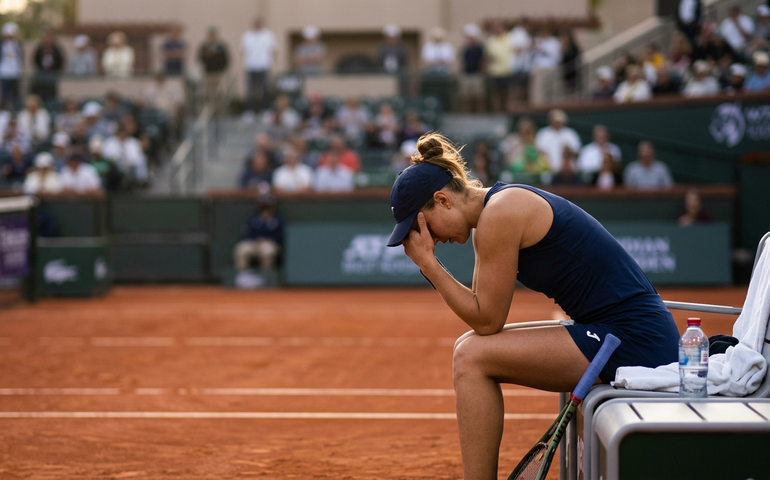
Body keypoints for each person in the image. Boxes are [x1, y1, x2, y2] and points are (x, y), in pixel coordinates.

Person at [386, 133, 680, 480]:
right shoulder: (490, 217)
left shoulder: (501, 214)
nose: (431, 240)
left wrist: (430, 266)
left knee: (470, 357)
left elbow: (487, 320)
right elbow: (483, 319)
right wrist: (430, 265)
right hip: (618, 332)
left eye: (424, 227)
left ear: (443, 200)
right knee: (467, 348)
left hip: (634, 340)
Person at [233, 196, 284, 273]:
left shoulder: (277, 219)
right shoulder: (253, 218)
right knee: (241, 249)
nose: (265, 209)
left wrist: (267, 240)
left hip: (269, 243)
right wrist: (255, 240)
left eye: (268, 206)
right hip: (253, 243)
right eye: (263, 206)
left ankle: (266, 278)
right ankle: (242, 277)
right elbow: (247, 233)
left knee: (268, 252)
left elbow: (280, 236)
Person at [240, 18, 277, 121]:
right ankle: (249, 111)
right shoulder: (247, 36)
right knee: (250, 90)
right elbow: (242, 50)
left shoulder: (268, 35)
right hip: (251, 66)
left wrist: (274, 63)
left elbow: (274, 50)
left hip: (264, 66)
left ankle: (265, 110)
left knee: (265, 89)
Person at [535, 109, 581, 173]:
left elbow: (576, 151)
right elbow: (539, 152)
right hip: (548, 171)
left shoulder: (570, 134)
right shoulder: (543, 134)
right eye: (555, 121)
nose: (557, 123)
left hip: (568, 171)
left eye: (559, 121)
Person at [485, 21, 513, 113]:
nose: (496, 30)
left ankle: (506, 110)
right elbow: (488, 55)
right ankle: (496, 111)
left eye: (498, 27)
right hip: (495, 71)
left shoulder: (509, 38)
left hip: (507, 70)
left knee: (506, 92)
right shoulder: (491, 40)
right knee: (496, 92)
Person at [198, 26, 230, 105]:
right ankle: (210, 109)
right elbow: (200, 58)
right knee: (209, 93)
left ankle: (221, 110)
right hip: (208, 73)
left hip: (219, 73)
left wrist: (222, 68)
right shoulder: (204, 46)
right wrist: (206, 56)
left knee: (220, 93)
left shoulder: (221, 46)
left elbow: (226, 59)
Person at [31, 28, 65, 102]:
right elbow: (35, 60)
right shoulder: (40, 48)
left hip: (52, 74)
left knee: (51, 93)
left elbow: (60, 61)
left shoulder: (56, 49)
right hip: (42, 74)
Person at [458, 24, 485, 113]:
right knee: (466, 96)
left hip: (476, 74)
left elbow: (482, 60)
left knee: (479, 96)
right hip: (467, 74)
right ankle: (467, 113)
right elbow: (462, 60)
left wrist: (482, 72)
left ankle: (480, 113)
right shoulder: (465, 48)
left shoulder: (479, 48)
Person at [0, 22, 23, 111]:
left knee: (15, 96)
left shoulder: (17, 45)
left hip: (15, 74)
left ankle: (15, 112)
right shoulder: (2, 45)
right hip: (5, 73)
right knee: (5, 96)